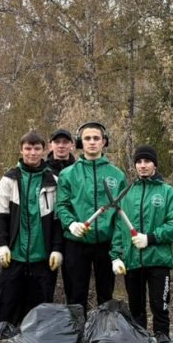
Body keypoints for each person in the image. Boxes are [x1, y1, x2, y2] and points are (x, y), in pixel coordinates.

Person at [112, 145, 173, 338]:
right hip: (132, 262)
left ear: (155, 164)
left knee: (160, 309)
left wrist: (150, 238)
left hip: (158, 262)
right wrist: (116, 256)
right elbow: (120, 229)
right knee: (136, 312)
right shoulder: (127, 193)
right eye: (139, 162)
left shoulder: (167, 192)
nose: (143, 165)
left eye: (147, 161)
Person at [0, 131, 64, 324]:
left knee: (40, 310)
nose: (32, 153)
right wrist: (2, 244)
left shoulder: (54, 182)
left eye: (37, 148)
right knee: (6, 304)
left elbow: (58, 220)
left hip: (42, 256)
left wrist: (57, 249)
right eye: (28, 148)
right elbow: (0, 215)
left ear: (44, 150)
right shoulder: (9, 179)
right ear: (21, 150)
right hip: (14, 255)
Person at [56, 121, 126, 311]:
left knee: (106, 296)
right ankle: (76, 336)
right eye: (87, 138)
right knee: (75, 296)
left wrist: (117, 251)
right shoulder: (68, 174)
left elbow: (121, 216)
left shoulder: (117, 175)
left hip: (105, 243)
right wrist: (71, 224)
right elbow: (61, 206)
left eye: (96, 138)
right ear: (80, 142)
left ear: (104, 142)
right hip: (76, 244)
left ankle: (103, 336)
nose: (92, 142)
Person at [44, 128, 76, 301]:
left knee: (73, 282)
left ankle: (73, 320)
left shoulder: (79, 169)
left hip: (72, 231)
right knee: (46, 282)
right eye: (57, 142)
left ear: (71, 145)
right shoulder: (42, 170)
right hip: (48, 231)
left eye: (65, 142)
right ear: (51, 145)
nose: (61, 146)